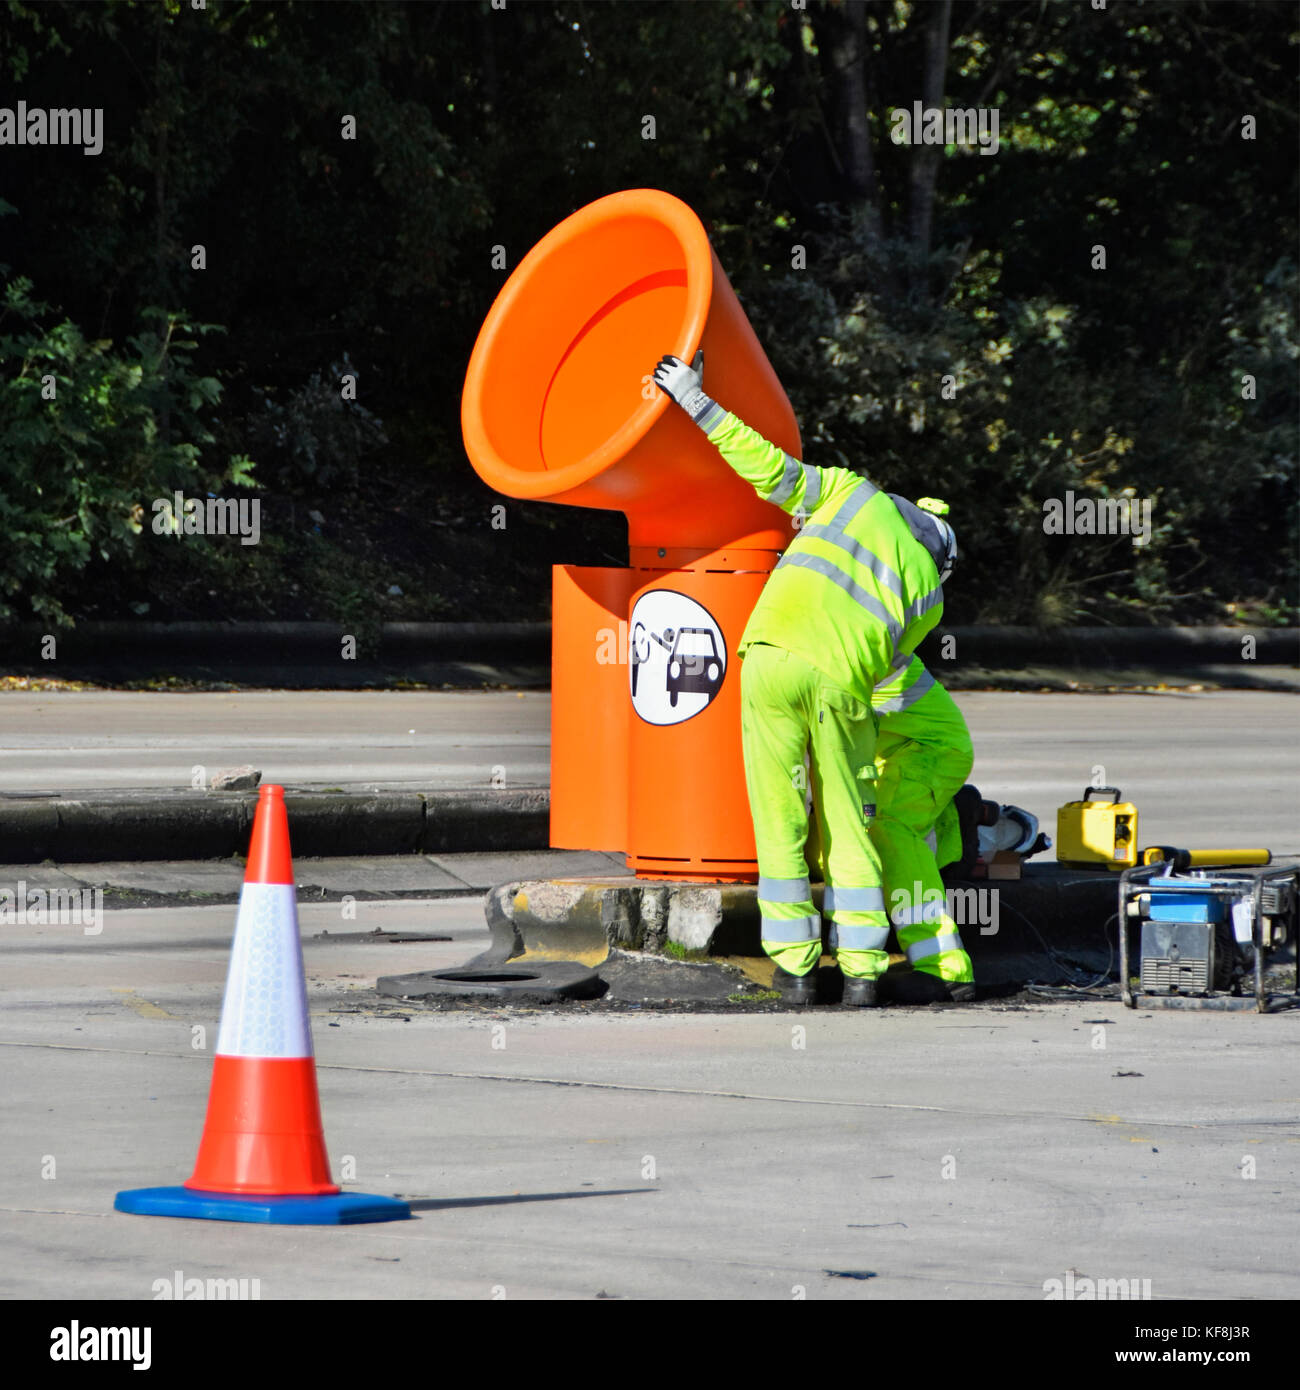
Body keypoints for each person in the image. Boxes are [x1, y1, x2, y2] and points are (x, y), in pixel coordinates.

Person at [652, 350, 973, 1006]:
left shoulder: (849, 490)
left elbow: (764, 466)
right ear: (938, 555)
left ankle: (794, 973)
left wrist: (692, 397)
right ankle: (861, 973)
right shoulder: (929, 598)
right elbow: (888, 677)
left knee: (777, 820)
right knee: (848, 822)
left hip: (765, 656)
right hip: (839, 683)